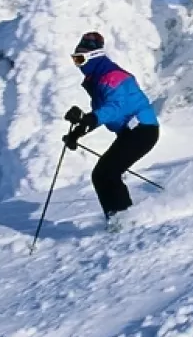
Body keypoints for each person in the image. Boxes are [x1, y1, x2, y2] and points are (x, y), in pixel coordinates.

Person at [63, 31, 160, 223]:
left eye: (80, 58)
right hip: (131, 132)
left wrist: (87, 118)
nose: (78, 64)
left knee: (108, 172)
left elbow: (115, 107)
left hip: (143, 130)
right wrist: (78, 132)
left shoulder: (112, 76)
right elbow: (101, 112)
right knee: (101, 174)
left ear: (93, 57)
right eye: (75, 59)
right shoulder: (99, 81)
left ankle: (124, 220)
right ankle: (117, 219)